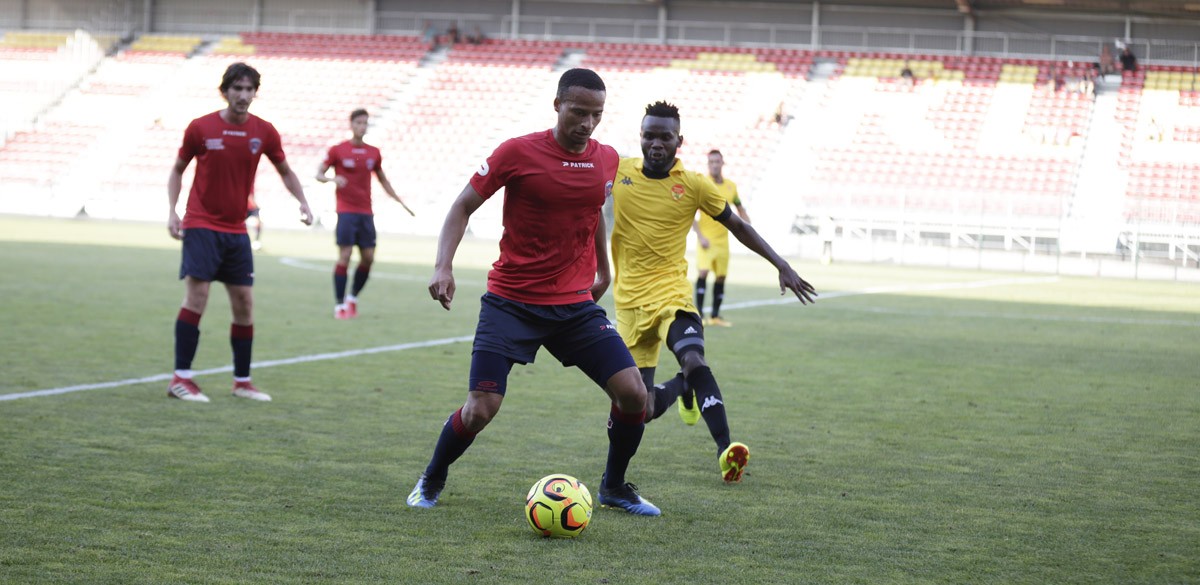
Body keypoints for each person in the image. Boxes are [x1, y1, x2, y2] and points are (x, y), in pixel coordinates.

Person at [407, 68, 661, 516]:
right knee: (480, 409)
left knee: (634, 394)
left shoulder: (606, 159)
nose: (587, 123)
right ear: (557, 105)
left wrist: (603, 271)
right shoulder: (517, 152)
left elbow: (593, 215)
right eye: (578, 112)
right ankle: (432, 477)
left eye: (596, 115)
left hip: (574, 306)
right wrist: (443, 265)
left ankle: (614, 487)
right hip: (511, 303)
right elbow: (462, 206)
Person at [609, 101, 817, 483]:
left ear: (679, 141)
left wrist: (781, 264)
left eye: (665, 137)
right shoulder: (618, 170)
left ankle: (726, 450)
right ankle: (681, 387)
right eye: (649, 135)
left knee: (694, 360)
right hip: (629, 305)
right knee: (641, 408)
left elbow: (739, 226)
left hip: (672, 296)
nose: (656, 143)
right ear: (640, 136)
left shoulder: (694, 185)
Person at [166, 62, 314, 403]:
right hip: (201, 224)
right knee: (197, 298)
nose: (244, 95)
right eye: (238, 88)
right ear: (225, 91)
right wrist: (172, 211)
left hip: (236, 229)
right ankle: (181, 378)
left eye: (249, 89)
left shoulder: (264, 131)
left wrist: (303, 202)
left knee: (244, 304)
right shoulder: (200, 127)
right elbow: (177, 171)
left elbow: (285, 170)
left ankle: (242, 382)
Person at [316, 108, 414, 320]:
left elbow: (382, 179)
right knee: (345, 256)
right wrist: (333, 179)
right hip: (346, 211)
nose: (362, 126)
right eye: (359, 123)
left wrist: (399, 200)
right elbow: (319, 174)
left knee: (368, 258)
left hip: (366, 212)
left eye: (365, 123)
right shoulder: (337, 150)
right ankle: (339, 305)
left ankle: (352, 298)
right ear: (351, 124)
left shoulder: (374, 152)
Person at [692, 149, 750, 327]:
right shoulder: (702, 184)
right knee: (703, 272)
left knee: (721, 277)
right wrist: (700, 236)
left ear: (722, 163)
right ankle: (699, 315)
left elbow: (739, 207)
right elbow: (691, 214)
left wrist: (748, 225)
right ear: (708, 164)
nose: (714, 165)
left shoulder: (731, 186)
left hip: (723, 241)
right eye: (711, 162)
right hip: (706, 240)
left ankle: (715, 316)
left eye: (717, 161)